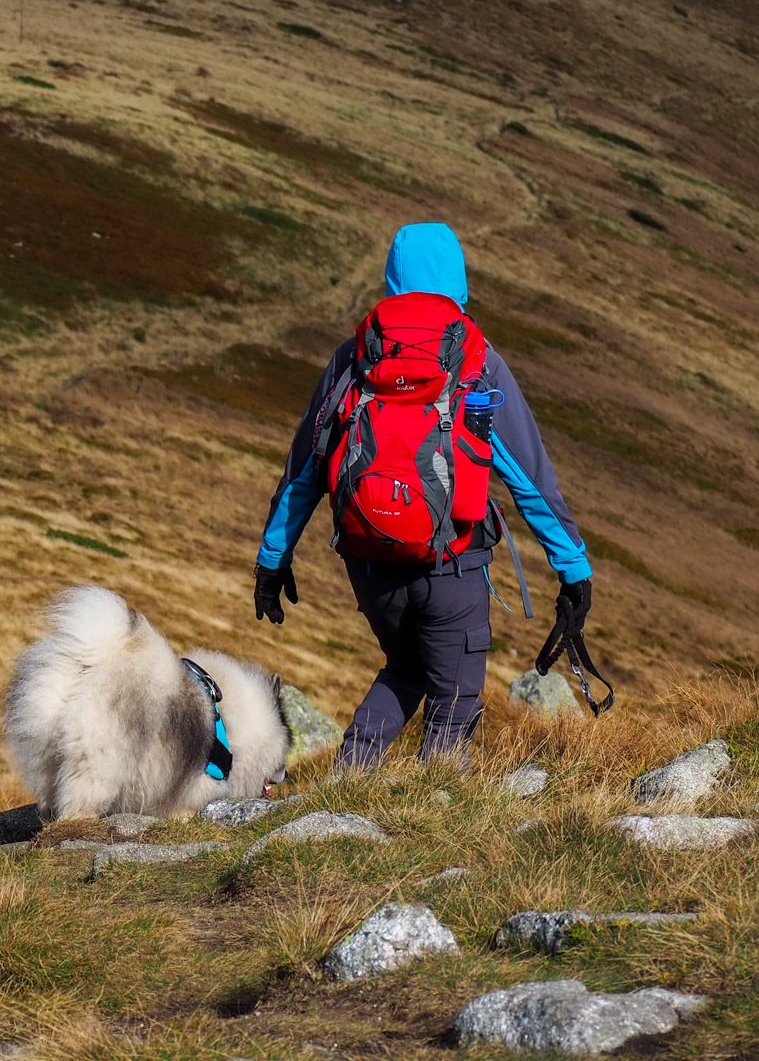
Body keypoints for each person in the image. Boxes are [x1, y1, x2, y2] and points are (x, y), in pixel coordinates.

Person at [251, 222, 596, 767]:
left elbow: (305, 468)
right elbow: (529, 477)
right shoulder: (475, 359)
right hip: (452, 565)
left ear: (391, 278)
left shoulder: (355, 357)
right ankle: (430, 815)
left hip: (370, 560)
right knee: (455, 701)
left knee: (408, 666)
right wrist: (573, 572)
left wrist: (273, 561)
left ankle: (347, 782)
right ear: (459, 280)